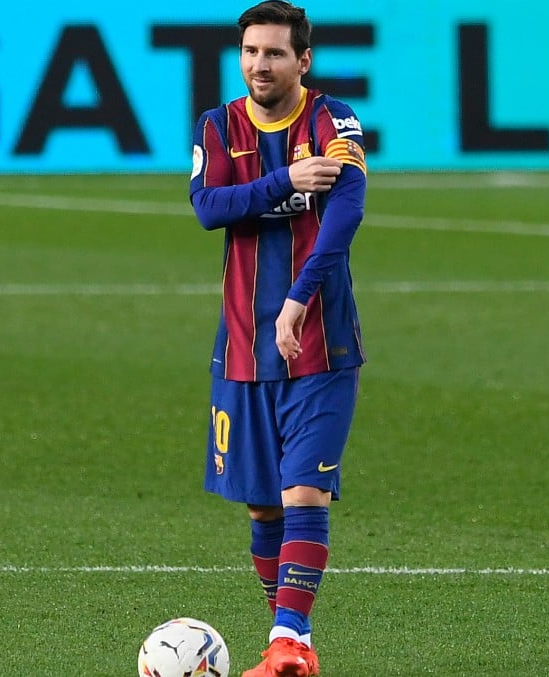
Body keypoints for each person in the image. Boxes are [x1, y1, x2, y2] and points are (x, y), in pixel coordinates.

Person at [187, 1, 368, 675]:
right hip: (240, 350)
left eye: (274, 53)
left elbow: (345, 211)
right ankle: (287, 640)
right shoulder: (218, 124)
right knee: (262, 502)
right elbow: (209, 206)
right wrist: (286, 181)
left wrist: (298, 298)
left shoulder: (333, 119)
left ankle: (291, 638)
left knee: (303, 493)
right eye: (251, 52)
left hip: (321, 344)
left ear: (303, 60)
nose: (260, 64)